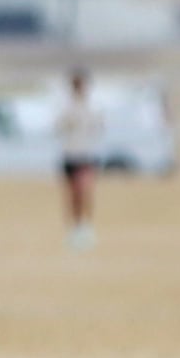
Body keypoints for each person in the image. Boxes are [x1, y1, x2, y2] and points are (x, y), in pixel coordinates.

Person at [55, 68, 104, 250]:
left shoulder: (93, 106)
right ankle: (75, 228)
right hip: (70, 154)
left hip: (87, 154)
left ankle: (87, 227)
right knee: (73, 195)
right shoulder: (66, 106)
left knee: (85, 190)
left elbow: (99, 127)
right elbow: (58, 127)